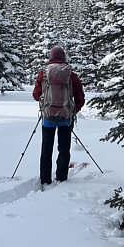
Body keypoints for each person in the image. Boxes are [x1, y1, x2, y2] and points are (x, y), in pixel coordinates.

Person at [32, 46, 85, 186]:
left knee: (46, 148)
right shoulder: (71, 75)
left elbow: (36, 95)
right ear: (64, 57)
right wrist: (72, 111)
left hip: (48, 116)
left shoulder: (43, 74)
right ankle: (61, 177)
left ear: (51, 57)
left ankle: (45, 179)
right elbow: (80, 97)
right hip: (66, 117)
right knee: (64, 148)